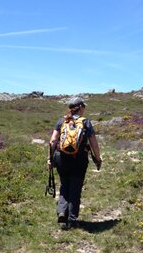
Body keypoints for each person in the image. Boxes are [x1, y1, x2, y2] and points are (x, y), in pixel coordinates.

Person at [48, 97, 102, 229]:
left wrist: (50, 158)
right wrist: (98, 158)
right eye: (84, 107)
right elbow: (94, 143)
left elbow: (53, 141)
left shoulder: (62, 121)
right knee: (75, 189)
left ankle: (62, 211)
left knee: (64, 185)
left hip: (61, 158)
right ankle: (72, 220)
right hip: (79, 159)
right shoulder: (86, 122)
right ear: (80, 108)